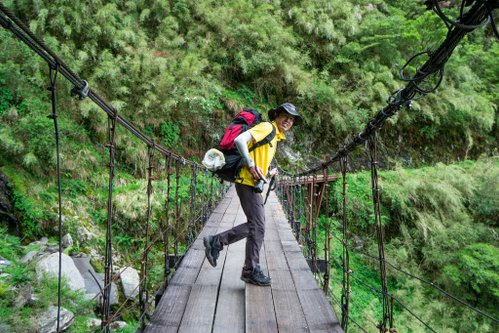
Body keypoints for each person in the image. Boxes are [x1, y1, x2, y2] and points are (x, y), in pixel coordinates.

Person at [203, 102, 301, 286]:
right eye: (285, 116)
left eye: (292, 119)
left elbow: (257, 156)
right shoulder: (267, 127)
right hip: (246, 181)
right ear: (277, 115)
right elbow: (240, 140)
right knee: (258, 226)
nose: (288, 121)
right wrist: (250, 164)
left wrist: (266, 172)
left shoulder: (275, 137)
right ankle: (246, 267)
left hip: (251, 182)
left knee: (256, 225)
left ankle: (220, 245)